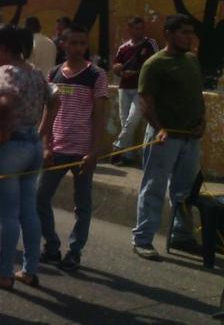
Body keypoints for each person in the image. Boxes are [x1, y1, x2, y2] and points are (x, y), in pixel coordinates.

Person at [0, 24, 57, 290]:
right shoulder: (34, 72)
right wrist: (42, 133)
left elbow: (6, 102)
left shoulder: (6, 71)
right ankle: (29, 270)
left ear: (4, 48)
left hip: (9, 148)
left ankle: (4, 273)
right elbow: (55, 100)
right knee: (27, 210)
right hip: (32, 143)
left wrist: (4, 134)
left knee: (7, 214)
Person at [132, 14, 205, 260]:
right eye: (183, 32)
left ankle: (181, 236)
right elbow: (145, 101)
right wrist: (159, 127)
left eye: (190, 32)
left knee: (185, 192)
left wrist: (201, 122)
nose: (189, 37)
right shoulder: (155, 64)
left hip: (190, 139)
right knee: (154, 187)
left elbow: (197, 96)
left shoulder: (193, 61)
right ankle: (142, 239)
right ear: (168, 34)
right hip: (164, 137)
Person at [36, 24, 109, 272]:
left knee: (82, 204)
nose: (78, 48)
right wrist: (45, 145)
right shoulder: (54, 73)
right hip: (56, 149)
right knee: (39, 198)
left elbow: (99, 116)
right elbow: (48, 111)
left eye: (82, 43)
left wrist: (93, 151)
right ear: (63, 45)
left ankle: (75, 251)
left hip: (82, 151)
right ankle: (52, 246)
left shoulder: (96, 75)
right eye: (73, 43)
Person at [111, 16, 159, 165]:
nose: (139, 31)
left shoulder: (150, 44)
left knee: (132, 120)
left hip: (142, 89)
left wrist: (137, 73)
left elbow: (156, 63)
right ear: (130, 29)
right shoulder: (123, 48)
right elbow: (115, 66)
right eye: (136, 28)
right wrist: (119, 70)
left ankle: (117, 147)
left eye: (141, 28)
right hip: (124, 88)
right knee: (125, 120)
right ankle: (128, 156)